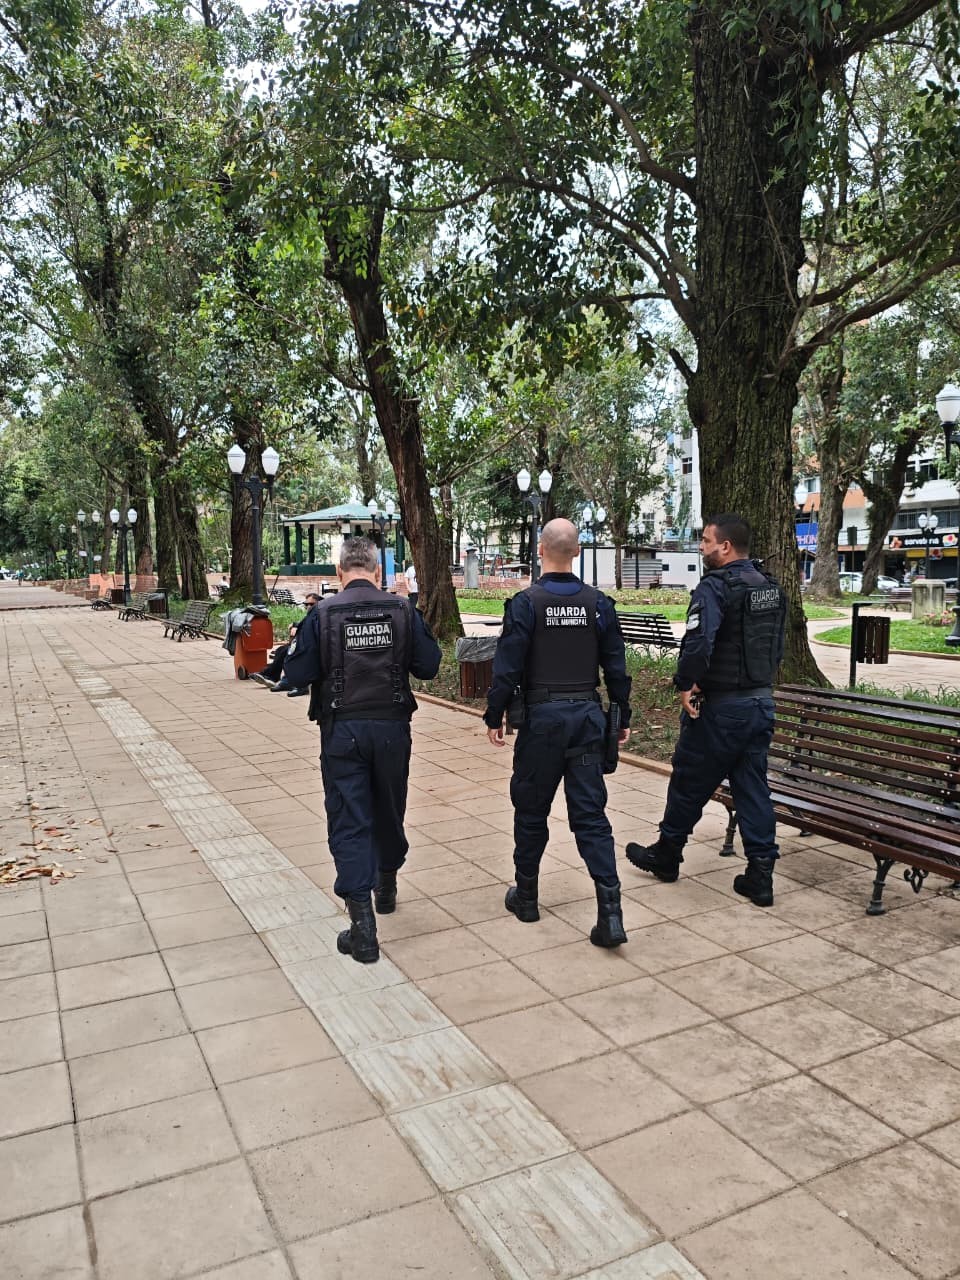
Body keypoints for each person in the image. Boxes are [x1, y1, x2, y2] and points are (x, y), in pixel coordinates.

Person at [283, 540, 441, 963]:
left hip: (343, 731)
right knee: (389, 807)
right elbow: (429, 666)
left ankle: (363, 929)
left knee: (349, 819)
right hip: (391, 729)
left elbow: (295, 674)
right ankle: (386, 885)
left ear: (339, 573)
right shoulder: (402, 610)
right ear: (377, 572)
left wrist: (299, 642)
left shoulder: (321, 614)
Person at [484, 518, 632, 947]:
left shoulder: (526, 604)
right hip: (586, 720)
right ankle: (611, 912)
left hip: (542, 724)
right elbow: (616, 667)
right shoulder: (598, 604)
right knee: (590, 816)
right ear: (578, 551)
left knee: (531, 810)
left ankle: (526, 897)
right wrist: (621, 716)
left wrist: (494, 715)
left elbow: (507, 666)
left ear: (540, 550)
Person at [626, 514, 786, 906]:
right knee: (752, 788)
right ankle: (761, 875)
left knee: (689, 779)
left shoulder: (715, 587)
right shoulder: (770, 587)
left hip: (722, 709)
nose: (701, 546)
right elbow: (776, 647)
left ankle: (667, 855)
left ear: (725, 547)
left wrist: (686, 683)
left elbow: (699, 643)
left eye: (707, 541)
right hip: (760, 704)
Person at [251, 593, 319, 694]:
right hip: (302, 643)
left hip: (310, 646)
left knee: (289, 652)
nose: (308, 606)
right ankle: (275, 677)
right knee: (281, 650)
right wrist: (295, 625)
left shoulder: (318, 614)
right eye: (306, 604)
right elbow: (304, 624)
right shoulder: (311, 615)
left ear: (318, 603)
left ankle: (284, 680)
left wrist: (297, 627)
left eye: (311, 604)